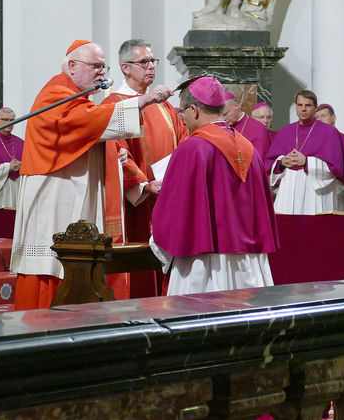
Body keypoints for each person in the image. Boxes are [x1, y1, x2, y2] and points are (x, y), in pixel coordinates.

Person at [9, 39, 173, 310]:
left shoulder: (80, 99)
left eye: (103, 67)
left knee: (72, 260)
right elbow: (82, 124)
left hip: (69, 190)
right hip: (53, 193)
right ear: (72, 66)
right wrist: (142, 101)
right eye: (95, 66)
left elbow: (84, 134)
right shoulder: (56, 93)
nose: (101, 73)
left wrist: (112, 154)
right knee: (51, 263)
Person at [150, 76, 278, 295]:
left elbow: (174, 209)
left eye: (182, 113)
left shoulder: (193, 148)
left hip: (204, 264)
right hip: (249, 263)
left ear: (195, 110)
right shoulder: (248, 148)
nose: (182, 119)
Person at [102, 39, 189, 298]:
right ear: (125, 67)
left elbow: (184, 141)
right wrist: (144, 185)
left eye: (153, 61)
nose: (151, 67)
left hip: (169, 194)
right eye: (144, 62)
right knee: (141, 267)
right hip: (139, 202)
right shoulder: (115, 105)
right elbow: (116, 152)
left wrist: (179, 178)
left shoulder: (163, 105)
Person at [264, 89, 344, 214]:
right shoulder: (285, 131)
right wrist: (282, 162)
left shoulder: (329, 132)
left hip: (314, 190)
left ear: (315, 108)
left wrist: (307, 161)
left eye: (307, 105)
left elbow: (336, 168)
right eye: (299, 105)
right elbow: (269, 163)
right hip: (289, 187)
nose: (303, 109)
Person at [223, 90, 272, 158]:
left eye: (225, 114)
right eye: (220, 115)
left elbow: (260, 161)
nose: (223, 119)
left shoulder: (258, 129)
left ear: (236, 106)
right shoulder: (220, 126)